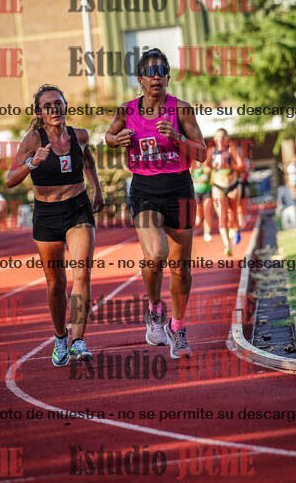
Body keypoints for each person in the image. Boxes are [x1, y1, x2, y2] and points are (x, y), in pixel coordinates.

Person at [105, 48, 206, 359]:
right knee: (157, 254)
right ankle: (153, 309)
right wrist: (116, 140)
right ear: (140, 79)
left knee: (181, 268)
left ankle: (177, 327)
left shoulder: (182, 110)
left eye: (162, 71)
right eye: (150, 72)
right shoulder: (127, 111)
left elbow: (201, 153)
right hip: (145, 189)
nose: (156, 77)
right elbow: (108, 136)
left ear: (168, 77)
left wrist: (177, 138)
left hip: (179, 188)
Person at [6, 85, 104, 367]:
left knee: (82, 274)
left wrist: (97, 189)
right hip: (47, 214)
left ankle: (79, 340)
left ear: (65, 105)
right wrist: (32, 163)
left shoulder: (80, 135)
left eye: (58, 103)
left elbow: (88, 161)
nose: (54, 109)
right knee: (56, 283)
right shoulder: (32, 140)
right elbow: (10, 179)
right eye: (47, 106)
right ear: (40, 112)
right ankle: (61, 336)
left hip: (78, 209)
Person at [205, 128, 242, 256]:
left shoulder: (232, 150)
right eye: (217, 137)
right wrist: (210, 169)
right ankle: (227, 245)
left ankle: (236, 228)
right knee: (222, 216)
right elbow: (206, 167)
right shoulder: (211, 151)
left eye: (222, 137)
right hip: (218, 186)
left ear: (227, 139)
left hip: (232, 185)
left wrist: (229, 166)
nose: (219, 140)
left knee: (233, 214)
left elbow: (241, 165)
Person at [190, 159, 213, 241]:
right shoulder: (193, 163)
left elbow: (213, 173)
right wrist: (198, 180)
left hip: (207, 190)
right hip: (196, 191)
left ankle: (207, 233)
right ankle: (198, 217)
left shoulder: (208, 163)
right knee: (199, 212)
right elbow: (189, 177)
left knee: (207, 211)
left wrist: (209, 171)